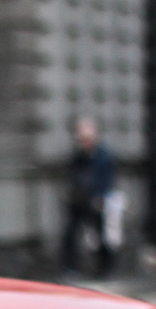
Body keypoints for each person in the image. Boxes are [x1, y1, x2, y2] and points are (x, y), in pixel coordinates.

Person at [60, 118, 119, 277]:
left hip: (96, 201)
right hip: (79, 200)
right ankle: (70, 268)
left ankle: (105, 268)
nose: (83, 143)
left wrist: (100, 196)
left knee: (101, 236)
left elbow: (107, 179)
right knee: (70, 233)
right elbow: (72, 176)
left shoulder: (104, 155)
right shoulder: (77, 156)